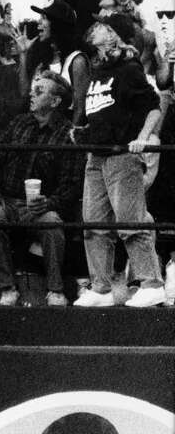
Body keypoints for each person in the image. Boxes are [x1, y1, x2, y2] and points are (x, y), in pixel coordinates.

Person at [74, 16, 165, 308]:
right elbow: (100, 113)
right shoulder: (97, 73)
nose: (96, 29)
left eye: (102, 26)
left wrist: (142, 137)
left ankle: (152, 283)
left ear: (111, 35)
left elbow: (154, 106)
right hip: (97, 155)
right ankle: (100, 287)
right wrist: (82, 133)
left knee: (130, 221)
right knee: (93, 223)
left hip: (121, 155)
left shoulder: (128, 70)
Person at [0, 71, 82, 307]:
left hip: (42, 206)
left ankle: (55, 291)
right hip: (8, 199)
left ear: (55, 102)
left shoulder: (67, 133)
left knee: (52, 223)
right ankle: (8, 289)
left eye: (39, 91)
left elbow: (72, 183)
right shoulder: (19, 123)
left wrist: (50, 202)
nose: (31, 94)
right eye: (33, 89)